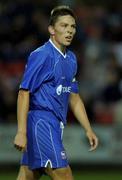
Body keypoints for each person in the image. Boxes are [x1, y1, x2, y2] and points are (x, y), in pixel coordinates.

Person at [14, 5, 98, 180]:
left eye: (72, 26)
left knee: (28, 175)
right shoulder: (42, 55)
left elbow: (74, 97)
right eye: (64, 26)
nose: (69, 31)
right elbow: (24, 92)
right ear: (51, 29)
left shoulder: (72, 59)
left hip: (54, 124)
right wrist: (21, 132)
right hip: (41, 122)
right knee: (65, 175)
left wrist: (88, 129)